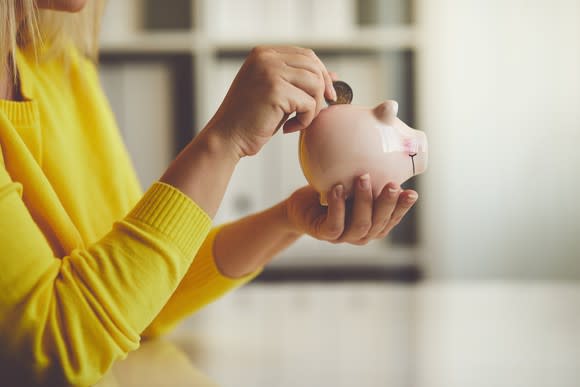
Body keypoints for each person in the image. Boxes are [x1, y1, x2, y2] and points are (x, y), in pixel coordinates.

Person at [0, 0, 419, 385]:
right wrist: (224, 142)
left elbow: (140, 302)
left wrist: (290, 218)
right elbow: (50, 347)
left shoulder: (62, 71)